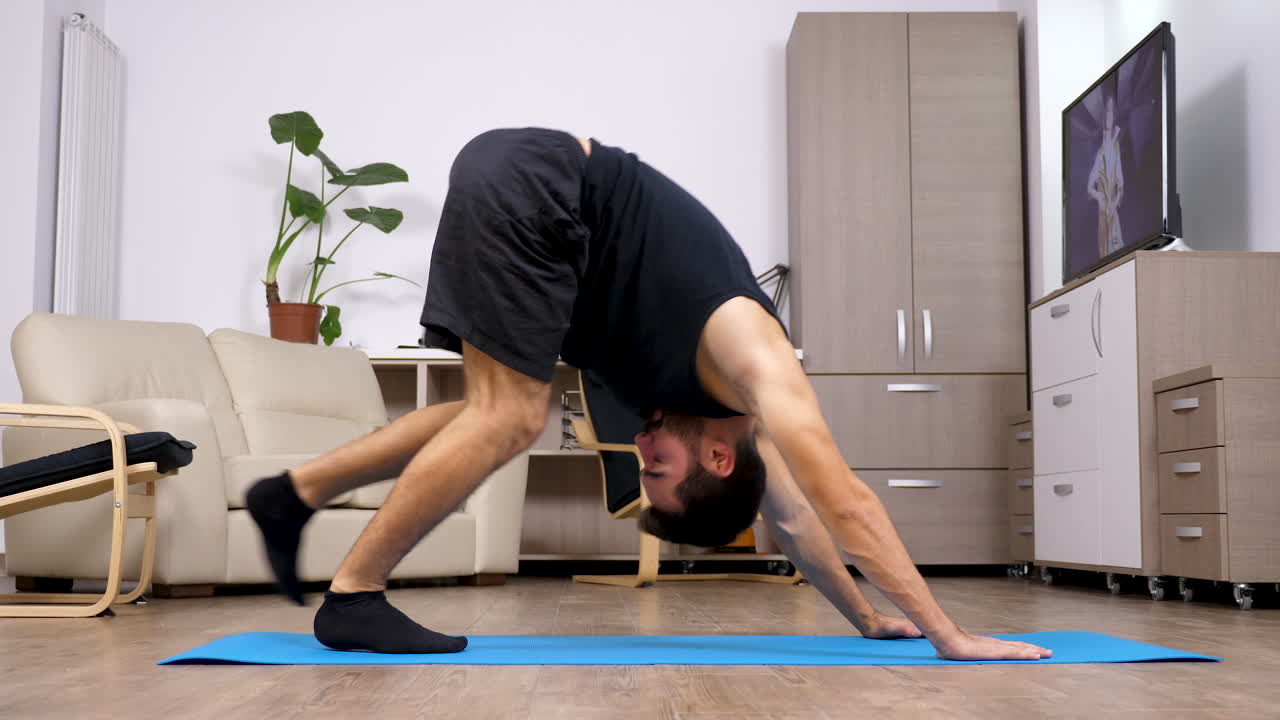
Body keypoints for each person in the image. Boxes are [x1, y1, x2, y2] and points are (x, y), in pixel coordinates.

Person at [247, 128, 1053, 662]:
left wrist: (870, 618)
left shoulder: (735, 429)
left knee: (488, 411)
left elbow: (799, 520)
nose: (641, 450)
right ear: (712, 453)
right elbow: (845, 502)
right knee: (511, 416)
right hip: (542, 187)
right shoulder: (760, 363)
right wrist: (949, 635)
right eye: (660, 469)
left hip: (530, 193)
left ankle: (292, 495)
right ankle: (352, 597)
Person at [1088, 95, 1125, 257]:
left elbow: (1121, 183)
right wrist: (1100, 197)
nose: (1109, 116)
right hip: (1103, 215)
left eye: (1111, 111)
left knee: (1118, 251)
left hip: (1113, 215)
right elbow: (1089, 187)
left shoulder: (1116, 147)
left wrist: (1115, 201)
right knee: (1105, 254)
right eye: (1106, 112)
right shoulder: (1100, 153)